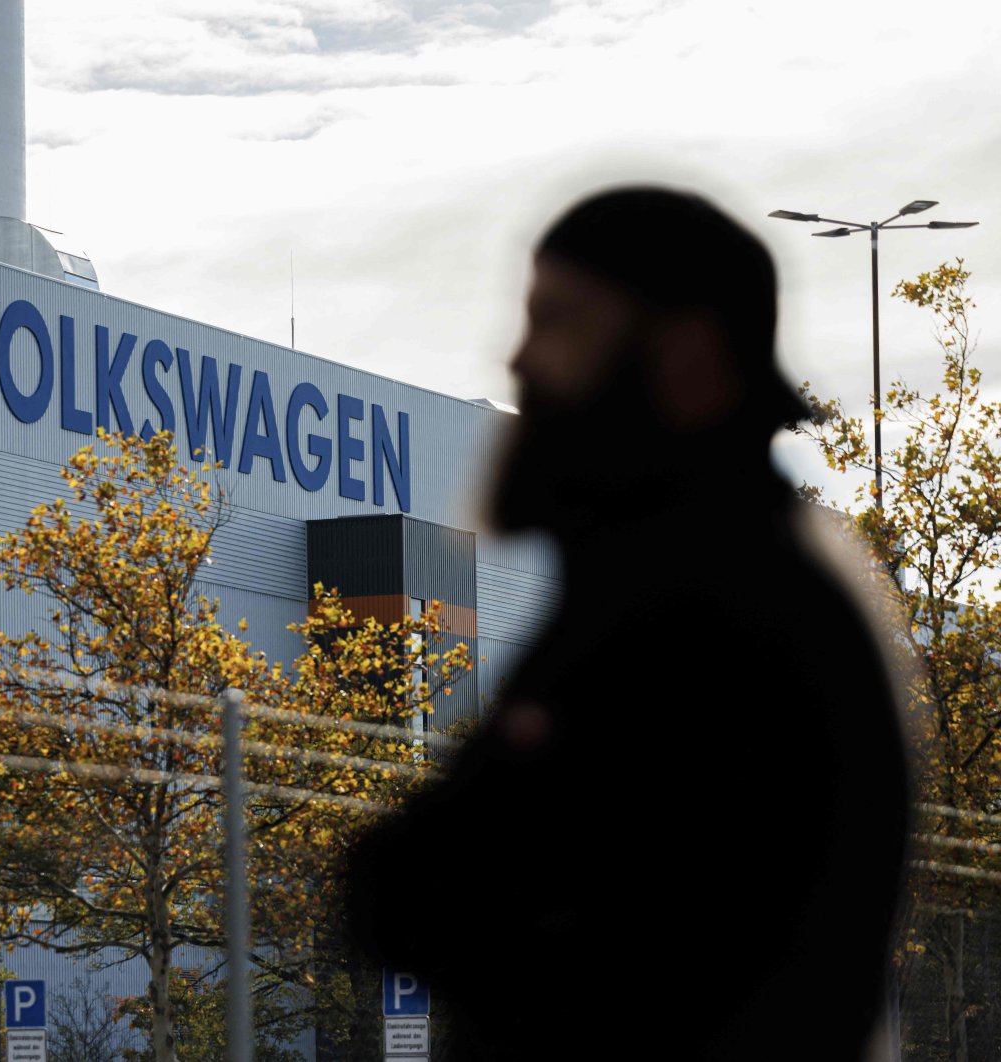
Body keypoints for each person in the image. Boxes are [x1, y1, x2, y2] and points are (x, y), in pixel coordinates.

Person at [343, 187, 910, 1060]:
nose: (521, 359)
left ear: (685, 356)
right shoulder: (697, 570)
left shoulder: (708, 609)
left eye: (560, 323)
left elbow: (436, 894)